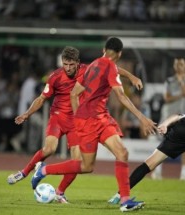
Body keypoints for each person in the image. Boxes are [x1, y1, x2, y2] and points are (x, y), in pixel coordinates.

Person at [31, 38, 156, 212]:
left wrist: (77, 117)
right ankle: (44, 170)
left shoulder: (94, 65)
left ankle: (125, 201)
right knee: (86, 167)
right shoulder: (108, 66)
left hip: (100, 118)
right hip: (89, 121)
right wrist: (142, 118)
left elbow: (74, 94)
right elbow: (120, 96)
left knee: (122, 153)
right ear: (120, 53)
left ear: (104, 49)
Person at [109, 113, 185, 204]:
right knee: (149, 164)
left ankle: (119, 195)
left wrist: (165, 124)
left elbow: (178, 116)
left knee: (149, 164)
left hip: (179, 131)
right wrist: (165, 124)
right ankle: (121, 195)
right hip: (180, 133)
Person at [151, 58, 185, 180]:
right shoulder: (169, 81)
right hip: (168, 116)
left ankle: (183, 174)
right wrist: (180, 94)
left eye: (181, 64)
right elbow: (166, 98)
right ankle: (156, 171)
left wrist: (182, 82)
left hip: (181, 117)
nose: (179, 66)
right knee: (162, 144)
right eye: (177, 64)